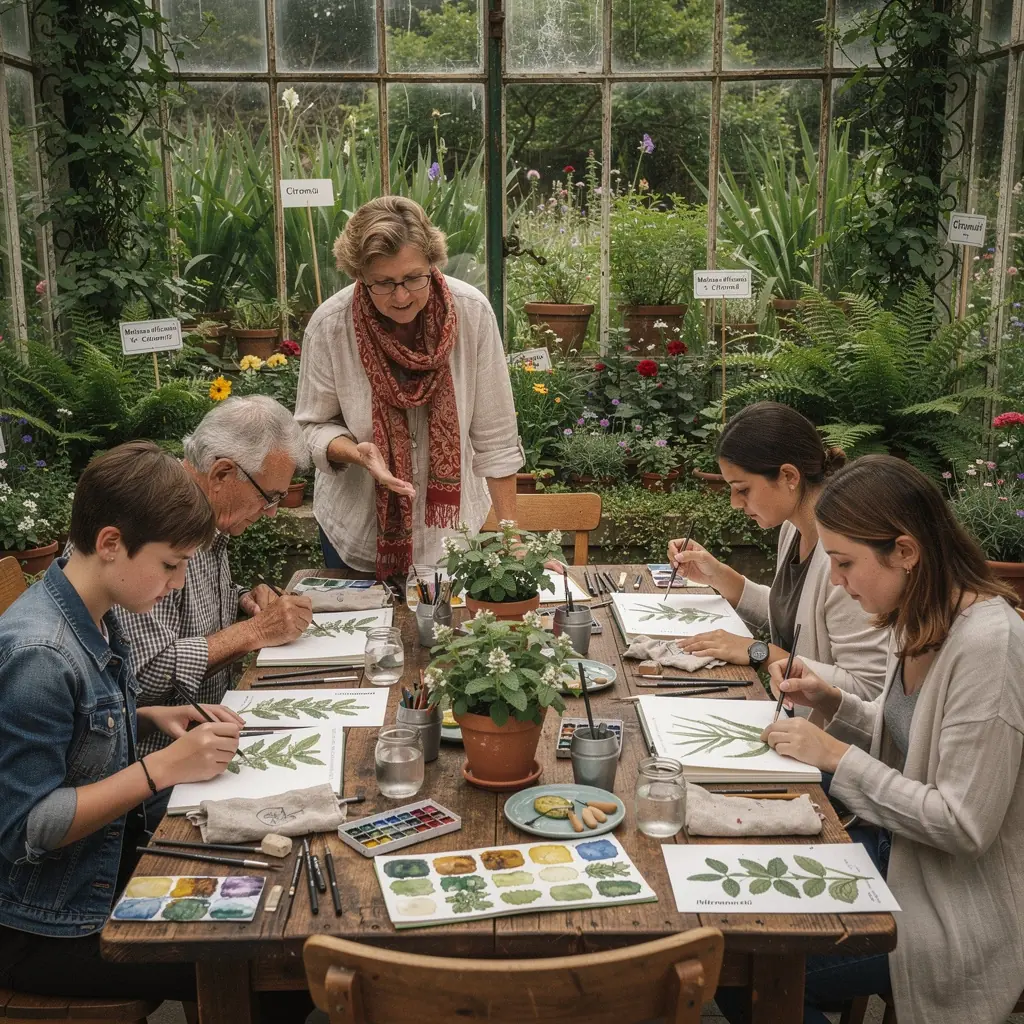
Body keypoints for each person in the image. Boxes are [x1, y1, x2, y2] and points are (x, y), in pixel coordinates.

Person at [722, 454, 1024, 1024]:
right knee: (737, 922)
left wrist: (837, 756)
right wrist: (831, 702)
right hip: (894, 853)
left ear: (905, 552)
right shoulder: (918, 613)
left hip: (949, 906)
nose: (834, 580)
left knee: (748, 966)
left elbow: (963, 823)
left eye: (844, 563)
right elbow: (902, 735)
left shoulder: (991, 646)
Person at [0, 442, 243, 1002]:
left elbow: (70, 730)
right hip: (49, 927)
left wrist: (144, 713)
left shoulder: (97, 610)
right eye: (170, 564)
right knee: (260, 958)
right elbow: (25, 827)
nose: (178, 583)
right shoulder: (41, 653)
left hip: (104, 868)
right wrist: (159, 768)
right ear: (111, 543)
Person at [295, 195, 524, 581]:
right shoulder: (330, 325)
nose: (401, 296)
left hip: (452, 537)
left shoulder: (471, 313)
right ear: (359, 277)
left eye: (413, 278)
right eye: (383, 283)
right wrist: (356, 453)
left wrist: (511, 537)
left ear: (432, 262)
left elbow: (497, 438)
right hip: (358, 534)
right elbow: (311, 428)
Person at [114, 395, 315, 755]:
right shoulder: (155, 522)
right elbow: (142, 675)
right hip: (163, 764)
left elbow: (188, 606)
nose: (270, 514)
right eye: (269, 497)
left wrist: (243, 599)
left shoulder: (205, 512)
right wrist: (256, 631)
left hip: (209, 740)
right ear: (222, 473)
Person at [667, 402, 887, 699]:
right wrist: (716, 574)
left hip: (823, 737)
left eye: (742, 489)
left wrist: (759, 652)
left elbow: (867, 689)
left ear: (789, 477)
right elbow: (792, 616)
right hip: (792, 720)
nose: (734, 502)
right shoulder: (793, 528)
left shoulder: (846, 558)